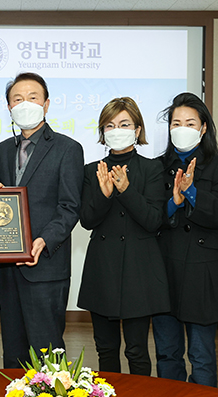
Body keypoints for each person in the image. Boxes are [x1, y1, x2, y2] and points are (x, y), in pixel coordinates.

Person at [0, 72, 84, 368]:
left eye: (32, 98)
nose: (25, 104)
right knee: (13, 351)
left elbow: (69, 207)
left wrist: (44, 240)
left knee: (48, 353)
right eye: (17, 99)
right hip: (9, 267)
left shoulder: (67, 148)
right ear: (8, 107)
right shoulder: (3, 149)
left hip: (45, 266)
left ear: (46, 104)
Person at [76, 97, 168, 375]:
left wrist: (126, 190)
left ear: (137, 130)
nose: (117, 130)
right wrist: (104, 195)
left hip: (139, 269)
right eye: (110, 125)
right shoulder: (91, 170)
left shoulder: (153, 168)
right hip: (102, 267)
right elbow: (87, 221)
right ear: (102, 132)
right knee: (105, 347)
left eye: (124, 124)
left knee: (137, 349)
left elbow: (153, 221)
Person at [152, 92, 218, 387]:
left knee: (201, 355)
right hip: (164, 269)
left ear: (202, 128)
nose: (182, 128)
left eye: (189, 122)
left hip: (202, 271)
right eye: (176, 122)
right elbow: (150, 218)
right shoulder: (156, 167)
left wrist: (192, 191)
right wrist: (173, 201)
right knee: (167, 353)